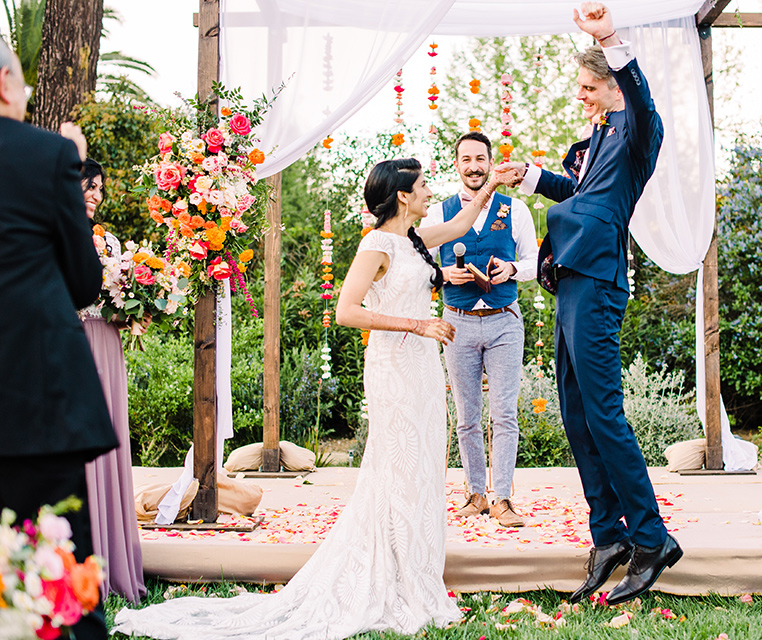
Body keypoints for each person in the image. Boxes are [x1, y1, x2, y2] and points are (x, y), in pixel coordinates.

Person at [112, 158, 519, 639]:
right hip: (395, 363)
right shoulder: (376, 244)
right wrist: (418, 324)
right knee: (397, 466)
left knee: (423, 467)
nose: (431, 191)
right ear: (404, 195)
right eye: (424, 185)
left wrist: (491, 183)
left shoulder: (414, 238)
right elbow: (347, 311)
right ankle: (394, 576)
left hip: (424, 366)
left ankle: (416, 574)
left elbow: (460, 222)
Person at [496, 2, 679, 605]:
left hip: (598, 281)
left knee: (604, 414)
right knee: (576, 415)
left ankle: (651, 539)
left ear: (612, 86)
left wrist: (612, 39)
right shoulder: (598, 139)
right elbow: (577, 191)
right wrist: (530, 177)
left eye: (588, 87)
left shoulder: (636, 131)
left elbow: (641, 100)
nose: (581, 97)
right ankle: (609, 538)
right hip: (569, 279)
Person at [0, 38, 117, 639]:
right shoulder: (47, 155)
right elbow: (81, 282)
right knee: (65, 571)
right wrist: (67, 167)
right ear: (4, 84)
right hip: (39, 395)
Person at [421, 131, 538, 527]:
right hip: (458, 322)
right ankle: (475, 493)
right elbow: (418, 265)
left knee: (505, 414)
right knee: (467, 416)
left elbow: (536, 261)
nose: (473, 166)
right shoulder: (439, 212)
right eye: (466, 159)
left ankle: (503, 498)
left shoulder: (516, 209)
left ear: (491, 163)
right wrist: (442, 275)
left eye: (480, 159)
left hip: (505, 320)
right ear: (456, 164)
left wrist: (512, 270)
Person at [79, 158, 148, 605]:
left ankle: (113, 558)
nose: (95, 194)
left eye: (100, 188)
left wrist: (136, 306)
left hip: (106, 342)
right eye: (87, 185)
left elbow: (115, 295)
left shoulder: (107, 240)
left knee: (109, 440)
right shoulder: (52, 234)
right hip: (72, 343)